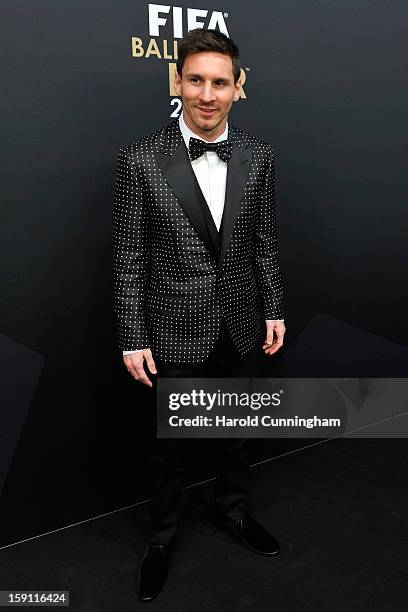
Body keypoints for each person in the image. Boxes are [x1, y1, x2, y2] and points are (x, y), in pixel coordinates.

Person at [113, 28, 286, 602]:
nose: (207, 94)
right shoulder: (140, 158)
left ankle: (232, 513)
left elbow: (264, 240)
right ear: (177, 82)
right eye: (195, 80)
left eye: (220, 82)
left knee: (237, 436)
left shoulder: (259, 155)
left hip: (239, 323)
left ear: (239, 88)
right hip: (172, 331)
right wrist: (133, 334)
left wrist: (274, 307)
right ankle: (160, 541)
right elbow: (130, 254)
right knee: (171, 451)